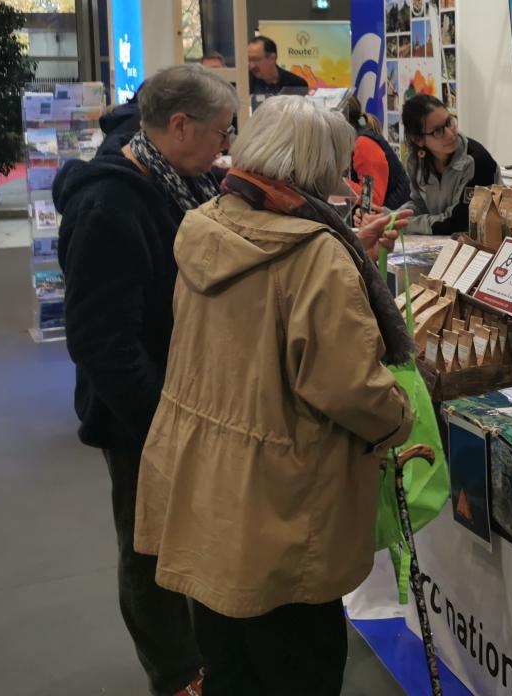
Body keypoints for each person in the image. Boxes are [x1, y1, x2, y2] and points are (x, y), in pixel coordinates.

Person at [134, 96, 414, 696]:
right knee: (300, 665)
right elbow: (348, 386)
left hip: (205, 482)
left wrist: (347, 255)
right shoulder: (315, 255)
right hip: (282, 501)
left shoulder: (207, 221)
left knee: (229, 663)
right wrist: (401, 417)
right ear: (316, 166)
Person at [53, 65, 238, 696]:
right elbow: (101, 342)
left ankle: (197, 656)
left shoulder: (177, 179)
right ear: (179, 126)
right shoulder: (110, 204)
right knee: (148, 547)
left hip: (184, 401)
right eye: (219, 131)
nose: (226, 143)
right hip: (142, 415)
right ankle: (177, 675)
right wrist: (163, 421)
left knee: (186, 536)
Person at [400, 93, 500, 235]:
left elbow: (459, 223)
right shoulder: (414, 160)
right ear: (418, 140)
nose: (450, 133)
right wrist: (392, 218)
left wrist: (404, 224)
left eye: (449, 122)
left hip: (479, 243)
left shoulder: (477, 161)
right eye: (438, 131)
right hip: (439, 242)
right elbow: (419, 203)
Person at [343, 93, 411, 210]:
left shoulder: (364, 143)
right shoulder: (355, 140)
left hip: (393, 221)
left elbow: (371, 198)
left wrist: (337, 183)